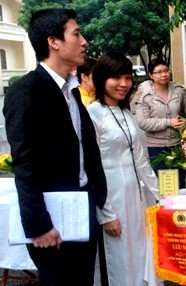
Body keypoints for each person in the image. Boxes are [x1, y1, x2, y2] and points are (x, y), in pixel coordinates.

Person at [2, 8, 107, 285]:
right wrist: (40, 226)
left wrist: (96, 198)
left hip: (82, 209)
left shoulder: (72, 91)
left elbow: (85, 151)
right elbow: (25, 165)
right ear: (54, 42)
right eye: (76, 34)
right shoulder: (26, 92)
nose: (84, 41)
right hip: (52, 223)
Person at [88, 51, 159, 286]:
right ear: (101, 78)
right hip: (112, 199)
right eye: (116, 78)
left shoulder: (126, 113)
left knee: (140, 254)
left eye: (128, 78)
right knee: (118, 261)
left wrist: (161, 198)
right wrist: (106, 214)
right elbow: (91, 168)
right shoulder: (93, 115)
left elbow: (141, 161)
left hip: (137, 200)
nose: (124, 84)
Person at [135, 58, 186, 187]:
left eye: (165, 71)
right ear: (150, 75)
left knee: (179, 182)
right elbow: (143, 122)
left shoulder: (178, 91)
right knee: (163, 184)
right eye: (158, 72)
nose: (163, 75)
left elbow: (185, 113)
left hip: (177, 144)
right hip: (156, 146)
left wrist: (185, 122)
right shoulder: (144, 94)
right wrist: (169, 122)